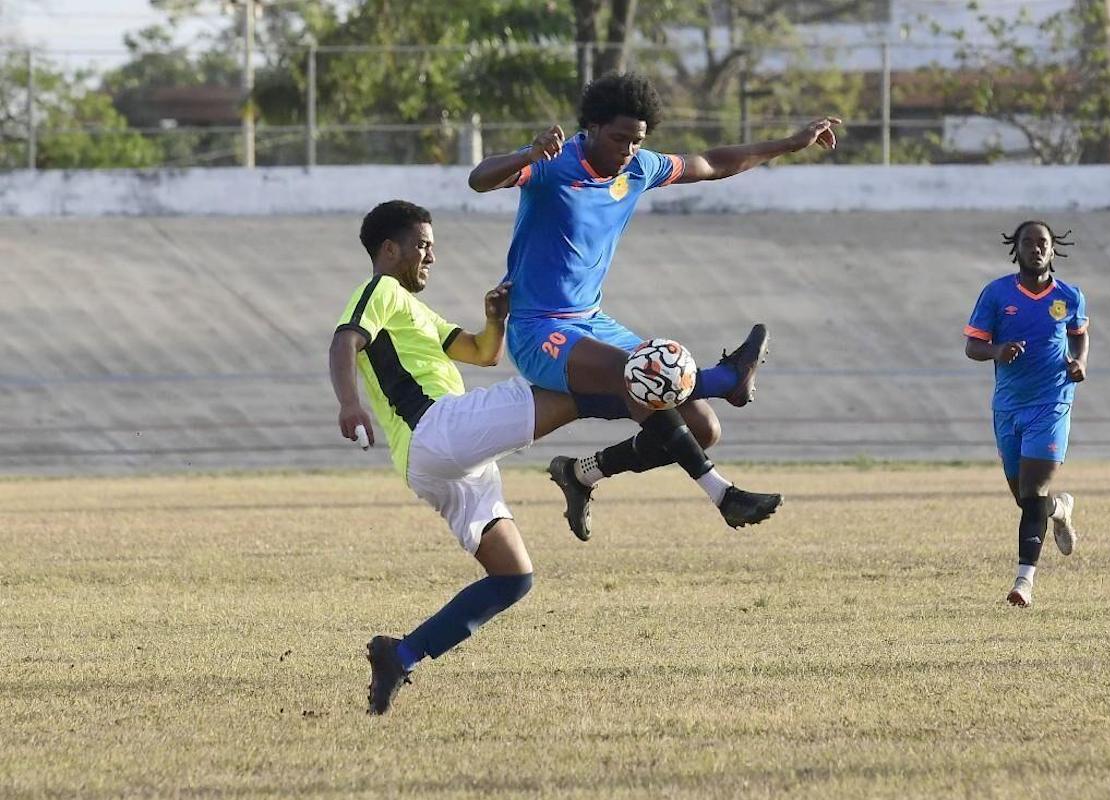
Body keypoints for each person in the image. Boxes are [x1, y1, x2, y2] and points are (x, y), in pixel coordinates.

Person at [330, 201, 775, 714]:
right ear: (390, 249)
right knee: (579, 386)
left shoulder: (412, 308)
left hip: (437, 464)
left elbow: (482, 353)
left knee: (513, 578)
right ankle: (721, 381)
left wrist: (494, 320)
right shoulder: (378, 291)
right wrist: (349, 404)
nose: (431, 254)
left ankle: (399, 654)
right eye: (422, 245)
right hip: (439, 429)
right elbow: (343, 343)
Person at [469, 72, 838, 539]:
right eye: (619, 138)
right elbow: (479, 180)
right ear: (592, 128)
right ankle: (723, 471)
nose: (627, 150)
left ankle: (582, 473)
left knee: (703, 428)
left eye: (637, 140)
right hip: (539, 330)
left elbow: (711, 161)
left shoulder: (638, 169)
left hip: (594, 322)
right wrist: (526, 153)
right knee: (643, 374)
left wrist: (789, 144)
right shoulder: (554, 164)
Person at [964, 220, 1088, 607]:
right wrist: (997, 351)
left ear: (1053, 250)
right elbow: (972, 346)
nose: (1036, 248)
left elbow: (1079, 333)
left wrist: (1079, 362)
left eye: (1043, 243)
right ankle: (1060, 508)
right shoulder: (997, 294)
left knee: (1032, 491)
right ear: (1015, 249)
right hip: (1008, 407)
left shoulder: (1070, 296)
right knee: (1026, 499)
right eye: (1028, 242)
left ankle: (1024, 583)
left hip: (1051, 403)